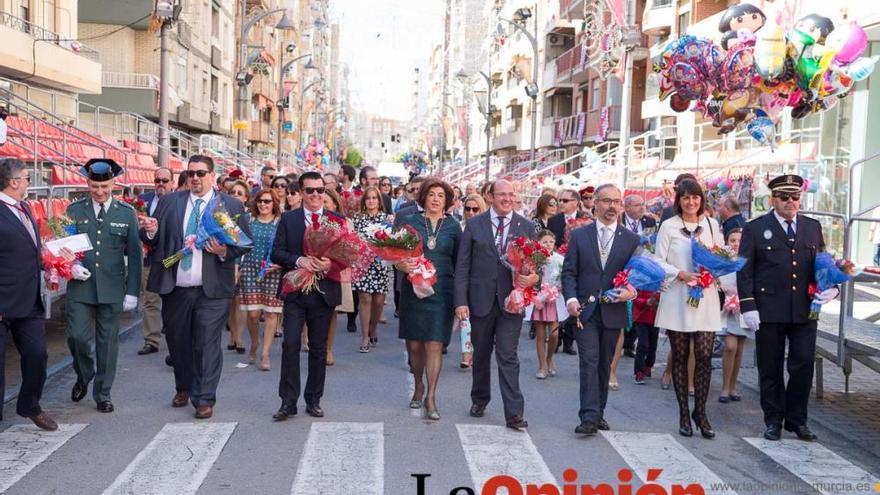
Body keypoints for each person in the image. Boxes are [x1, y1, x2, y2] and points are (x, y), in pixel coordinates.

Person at [140, 155, 251, 419]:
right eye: (191, 173)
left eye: (201, 173)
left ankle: (204, 398)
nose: (195, 178)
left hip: (212, 289)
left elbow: (244, 244)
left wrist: (225, 249)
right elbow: (149, 239)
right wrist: (151, 231)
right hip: (176, 286)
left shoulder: (230, 204)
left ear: (212, 175)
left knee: (206, 342)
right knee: (178, 343)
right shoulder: (169, 202)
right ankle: (184, 387)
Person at [738, 174, 835, 442]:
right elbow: (744, 270)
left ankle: (797, 420)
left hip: (804, 309)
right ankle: (773, 420)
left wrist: (831, 285)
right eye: (784, 197)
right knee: (770, 367)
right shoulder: (756, 228)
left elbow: (822, 263)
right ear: (773, 199)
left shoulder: (812, 227)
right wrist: (748, 305)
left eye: (795, 197)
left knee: (803, 365)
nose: (790, 202)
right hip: (768, 308)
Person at [454, 179, 538, 430]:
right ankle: (480, 398)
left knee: (508, 355)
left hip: (511, 302)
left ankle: (514, 412)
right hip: (480, 300)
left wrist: (533, 278)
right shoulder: (475, 224)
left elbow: (536, 266)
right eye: (502, 194)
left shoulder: (526, 226)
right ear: (490, 196)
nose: (507, 199)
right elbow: (463, 266)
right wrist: (460, 301)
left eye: (511, 195)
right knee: (480, 354)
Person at [561, 184, 639, 436]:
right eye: (606, 201)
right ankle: (588, 416)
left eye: (616, 202)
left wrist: (632, 291)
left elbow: (635, 276)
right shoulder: (580, 235)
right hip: (585, 312)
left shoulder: (630, 239)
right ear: (595, 203)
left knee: (604, 363)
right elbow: (569, 271)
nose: (612, 207)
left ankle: (599, 412)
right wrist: (571, 299)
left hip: (613, 311)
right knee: (589, 361)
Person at [66, 159, 143, 413]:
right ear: (87, 183)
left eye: (105, 186)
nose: (100, 192)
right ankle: (84, 373)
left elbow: (134, 254)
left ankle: (103, 394)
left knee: (107, 344)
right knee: (76, 337)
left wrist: (132, 291)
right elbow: (62, 247)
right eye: (94, 186)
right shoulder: (74, 210)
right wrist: (70, 267)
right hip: (80, 286)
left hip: (112, 287)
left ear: (114, 184)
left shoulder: (126, 212)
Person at [654, 178, 724, 439]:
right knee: (680, 356)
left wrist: (716, 270)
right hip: (677, 296)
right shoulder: (669, 226)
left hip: (704, 296)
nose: (691, 202)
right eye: (686, 198)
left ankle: (701, 412)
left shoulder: (711, 224)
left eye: (695, 197)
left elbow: (720, 254)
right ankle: (684, 413)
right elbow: (658, 261)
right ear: (679, 201)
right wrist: (679, 273)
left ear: (701, 199)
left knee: (705, 355)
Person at [270, 172, 341, 421]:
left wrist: (328, 264)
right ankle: (288, 402)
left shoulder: (336, 220)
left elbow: (346, 259)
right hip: (295, 292)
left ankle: (314, 399)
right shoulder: (289, 219)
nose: (315, 195)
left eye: (319, 190)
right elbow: (276, 253)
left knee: (319, 348)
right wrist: (300, 260)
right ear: (300, 192)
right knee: (290, 343)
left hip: (324, 293)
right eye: (309, 190)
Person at [0, 158, 57, 430]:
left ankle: (29, 405)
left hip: (29, 299)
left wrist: (50, 262)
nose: (28, 182)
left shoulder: (23, 207)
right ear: (13, 182)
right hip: (2, 302)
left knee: (37, 355)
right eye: (25, 178)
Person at [397, 179, 461, 420]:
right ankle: (418, 385)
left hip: (442, 291)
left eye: (441, 196)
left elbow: (460, 263)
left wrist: (461, 298)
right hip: (413, 289)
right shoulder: (409, 222)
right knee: (414, 344)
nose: (436, 199)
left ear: (447, 201)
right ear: (423, 197)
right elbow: (395, 253)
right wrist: (401, 264)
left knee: (434, 343)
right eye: (432, 194)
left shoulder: (454, 227)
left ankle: (431, 395)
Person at [239, 189, 283, 371]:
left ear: (274, 203)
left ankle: (265, 352)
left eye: (267, 201)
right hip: (250, 269)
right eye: (260, 201)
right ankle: (255, 342)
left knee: (271, 313)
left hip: (272, 271)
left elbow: (288, 246)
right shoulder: (248, 220)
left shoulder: (281, 223)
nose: (263, 205)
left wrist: (281, 264)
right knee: (253, 314)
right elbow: (238, 243)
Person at [137, 167, 174, 355]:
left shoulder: (178, 202)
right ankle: (151, 340)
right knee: (150, 300)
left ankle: (175, 341)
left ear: (172, 183)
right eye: (157, 180)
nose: (160, 184)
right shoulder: (144, 201)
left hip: (171, 260)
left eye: (165, 181)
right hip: (149, 258)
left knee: (172, 302)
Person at [547, 188, 589, 355]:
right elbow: (550, 243)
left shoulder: (585, 220)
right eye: (560, 200)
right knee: (559, 301)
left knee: (574, 300)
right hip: (558, 265)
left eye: (565, 200)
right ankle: (557, 338)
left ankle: (569, 341)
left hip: (578, 267)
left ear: (576, 203)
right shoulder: (554, 220)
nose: (561, 203)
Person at [352, 186, 390, 352]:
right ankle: (365, 336)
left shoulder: (386, 219)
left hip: (380, 265)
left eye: (374, 198)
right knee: (365, 298)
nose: (371, 201)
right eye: (368, 198)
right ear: (364, 201)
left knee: (379, 301)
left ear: (379, 201)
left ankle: (373, 327)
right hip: (362, 264)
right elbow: (353, 240)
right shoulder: (358, 218)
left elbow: (391, 242)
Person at [620, 194, 657, 358]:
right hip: (621, 265)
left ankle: (630, 342)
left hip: (641, 267)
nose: (642, 208)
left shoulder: (649, 221)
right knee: (623, 302)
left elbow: (653, 243)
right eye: (637, 205)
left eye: (643, 204)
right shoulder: (619, 219)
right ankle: (621, 337)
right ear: (627, 207)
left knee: (637, 301)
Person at [525, 230, 564, 379]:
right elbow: (529, 276)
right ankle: (542, 366)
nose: (548, 245)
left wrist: (557, 288)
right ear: (538, 243)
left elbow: (565, 276)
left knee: (554, 334)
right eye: (545, 242)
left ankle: (550, 358)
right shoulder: (535, 259)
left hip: (554, 299)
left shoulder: (560, 259)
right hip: (539, 299)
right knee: (540, 334)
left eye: (551, 242)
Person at [718, 228, 750, 403]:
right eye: (732, 240)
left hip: (743, 307)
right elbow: (715, 278)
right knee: (730, 346)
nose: (736, 244)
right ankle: (724, 387)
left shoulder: (747, 260)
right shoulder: (722, 260)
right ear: (726, 241)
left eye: (739, 240)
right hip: (727, 307)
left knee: (739, 348)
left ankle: (732, 386)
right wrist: (722, 287)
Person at [322, 187, 352, 364]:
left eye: (326, 202)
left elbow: (351, 248)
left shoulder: (344, 221)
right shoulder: (314, 219)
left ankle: (328, 348)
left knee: (332, 311)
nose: (323, 205)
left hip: (336, 270)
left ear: (334, 203)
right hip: (314, 269)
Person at [225, 180, 250, 354]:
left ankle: (239, 337)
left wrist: (240, 266)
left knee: (241, 302)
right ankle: (232, 335)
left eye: (239, 193)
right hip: (227, 262)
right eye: (232, 192)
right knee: (230, 303)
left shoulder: (250, 217)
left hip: (246, 263)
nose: (235, 196)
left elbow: (248, 243)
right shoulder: (223, 216)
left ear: (246, 198)